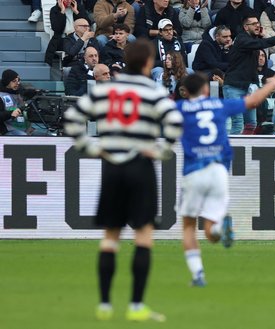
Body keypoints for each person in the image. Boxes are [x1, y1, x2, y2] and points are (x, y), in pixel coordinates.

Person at [63, 39, 183, 322]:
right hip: (140, 166)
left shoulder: (106, 90)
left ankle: (104, 304)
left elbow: (72, 118)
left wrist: (92, 148)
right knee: (143, 235)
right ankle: (136, 305)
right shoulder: (151, 90)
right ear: (147, 63)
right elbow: (175, 123)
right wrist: (160, 150)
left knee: (110, 237)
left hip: (112, 167)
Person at [176, 72, 275, 286]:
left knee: (189, 225)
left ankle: (198, 275)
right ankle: (218, 228)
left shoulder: (180, 108)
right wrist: (272, 83)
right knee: (211, 229)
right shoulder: (219, 106)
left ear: (185, 92)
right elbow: (253, 101)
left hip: (193, 170)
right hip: (218, 169)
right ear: (207, 90)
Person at [223, 15, 275, 135]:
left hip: (247, 87)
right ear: (246, 27)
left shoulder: (254, 40)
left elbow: (272, 47)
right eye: (253, 24)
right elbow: (261, 44)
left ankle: (245, 151)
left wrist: (264, 35)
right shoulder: (242, 39)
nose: (257, 25)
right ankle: (233, 153)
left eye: (258, 23)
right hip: (234, 87)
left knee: (251, 124)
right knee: (238, 123)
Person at [0, 70, 29, 136]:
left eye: (18, 80)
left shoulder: (18, 91)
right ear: (7, 82)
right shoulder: (1, 96)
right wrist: (11, 114)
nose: (17, 83)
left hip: (23, 127)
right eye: (14, 81)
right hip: (8, 130)